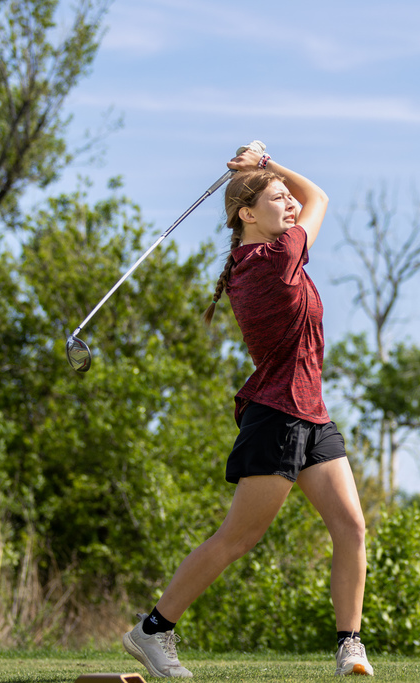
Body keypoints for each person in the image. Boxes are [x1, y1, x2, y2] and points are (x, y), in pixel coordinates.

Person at [121, 143, 372, 677]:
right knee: (238, 537)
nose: (290, 204)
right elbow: (319, 196)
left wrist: (262, 170)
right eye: (277, 199)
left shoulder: (251, 258)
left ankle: (350, 644)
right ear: (246, 214)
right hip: (279, 415)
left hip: (311, 414)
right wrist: (268, 165)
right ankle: (153, 629)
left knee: (351, 527)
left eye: (287, 199)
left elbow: (308, 199)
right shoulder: (276, 258)